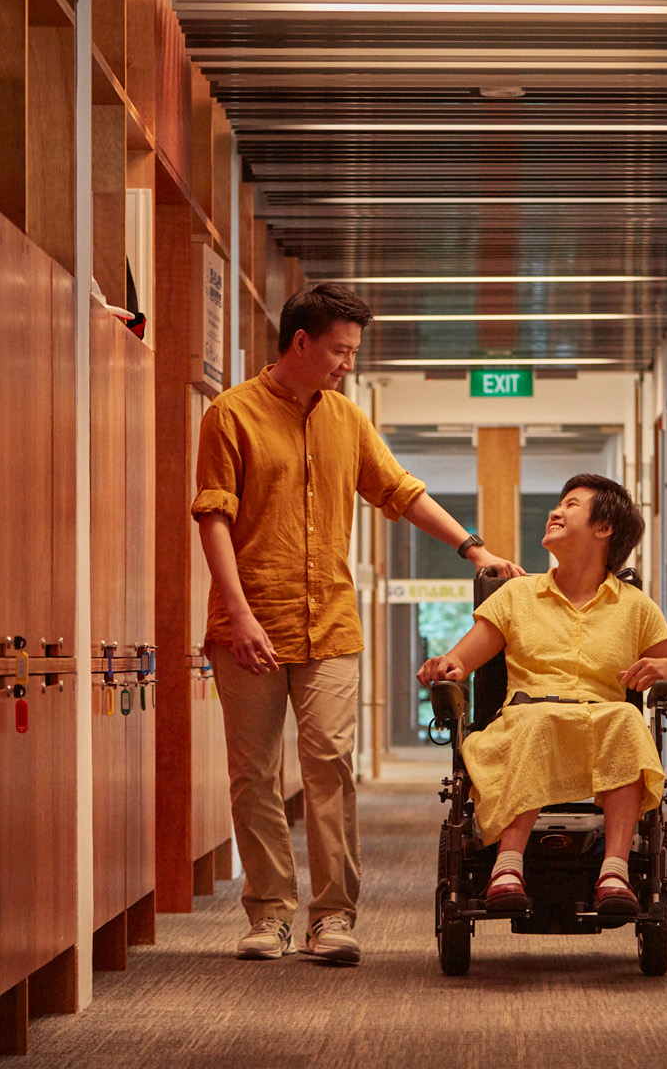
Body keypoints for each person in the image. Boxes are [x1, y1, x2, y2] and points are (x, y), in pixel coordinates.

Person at [193, 283, 526, 964]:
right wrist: (237, 612)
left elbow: (400, 492)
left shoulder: (345, 419)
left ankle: (332, 916)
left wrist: (475, 547)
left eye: (354, 353)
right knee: (253, 773)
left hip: (331, 626)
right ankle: (269, 914)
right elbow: (214, 518)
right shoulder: (230, 416)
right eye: (341, 351)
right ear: (301, 342)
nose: (348, 363)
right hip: (249, 624)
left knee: (329, 765)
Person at [415, 474, 667, 916]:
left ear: (604, 528)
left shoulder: (636, 608)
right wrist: (444, 666)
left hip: (602, 732)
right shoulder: (517, 595)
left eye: (571, 505)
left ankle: (615, 873)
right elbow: (460, 661)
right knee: (540, 719)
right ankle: (507, 868)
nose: (556, 512)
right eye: (558, 504)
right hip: (526, 726)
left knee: (627, 719)